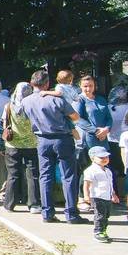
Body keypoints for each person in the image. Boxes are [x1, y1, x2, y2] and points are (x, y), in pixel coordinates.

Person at [20, 69, 83, 224]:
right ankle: (71, 214)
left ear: (32, 83)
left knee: (45, 176)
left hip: (42, 139)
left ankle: (47, 212)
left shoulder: (26, 101)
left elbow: (24, 116)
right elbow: (75, 117)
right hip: (62, 138)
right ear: (47, 83)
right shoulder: (57, 99)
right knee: (68, 176)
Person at [1, 82, 41, 213]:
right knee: (33, 174)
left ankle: (9, 204)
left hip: (12, 145)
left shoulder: (8, 106)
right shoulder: (33, 105)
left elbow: (4, 123)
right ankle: (34, 204)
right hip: (31, 144)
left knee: (13, 174)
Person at [75, 75, 113, 209]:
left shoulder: (101, 99)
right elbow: (78, 119)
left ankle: (103, 196)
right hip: (88, 138)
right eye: (85, 86)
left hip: (103, 138)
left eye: (90, 85)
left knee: (103, 166)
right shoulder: (79, 100)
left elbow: (109, 117)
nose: (88, 88)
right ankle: (82, 198)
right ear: (80, 86)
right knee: (87, 169)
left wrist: (107, 129)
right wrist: (95, 130)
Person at [82, 146, 117, 243]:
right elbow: (86, 184)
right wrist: (86, 195)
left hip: (107, 197)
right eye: (101, 158)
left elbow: (110, 184)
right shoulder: (91, 170)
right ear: (92, 158)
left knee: (106, 215)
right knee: (100, 215)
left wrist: (113, 194)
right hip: (97, 196)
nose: (105, 159)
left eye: (106, 157)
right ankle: (98, 232)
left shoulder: (108, 171)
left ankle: (104, 231)